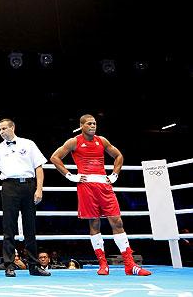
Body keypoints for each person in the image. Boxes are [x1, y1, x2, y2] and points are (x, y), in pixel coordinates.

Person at [50, 114, 151, 276]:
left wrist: (114, 175)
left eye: (95, 123)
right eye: (89, 123)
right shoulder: (74, 142)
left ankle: (130, 264)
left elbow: (118, 156)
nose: (93, 126)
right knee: (94, 224)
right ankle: (103, 264)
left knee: (117, 221)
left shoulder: (102, 140)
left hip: (104, 185)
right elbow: (55, 158)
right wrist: (71, 176)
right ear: (82, 125)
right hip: (86, 186)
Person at [0, 118, 50, 277]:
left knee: (30, 227)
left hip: (29, 186)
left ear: (12, 127)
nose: (1, 132)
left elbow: (39, 167)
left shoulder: (28, 144)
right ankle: (9, 265)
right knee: (9, 228)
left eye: (3, 128)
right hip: (9, 187)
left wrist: (39, 189)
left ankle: (34, 266)